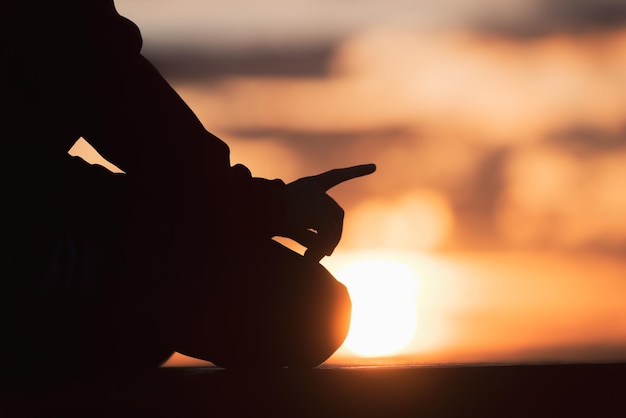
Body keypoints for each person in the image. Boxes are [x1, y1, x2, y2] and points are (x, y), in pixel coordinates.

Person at [1, 0, 375, 379]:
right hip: (43, 262)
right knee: (315, 309)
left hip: (72, 264)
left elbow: (108, 103)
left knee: (317, 309)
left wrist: (259, 206)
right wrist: (265, 206)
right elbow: (110, 84)